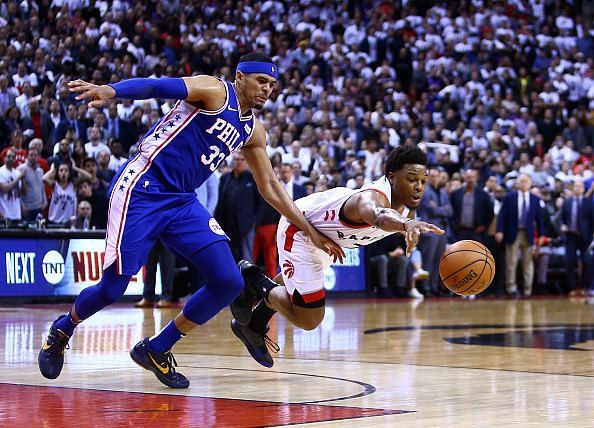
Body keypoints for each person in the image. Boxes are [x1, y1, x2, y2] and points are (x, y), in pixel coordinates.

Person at [38, 53, 343, 389]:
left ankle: (157, 348)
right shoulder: (213, 90)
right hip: (142, 187)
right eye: (261, 81)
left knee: (229, 281)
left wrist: (310, 230)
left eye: (272, 84)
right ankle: (62, 329)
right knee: (114, 287)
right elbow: (157, 85)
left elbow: (270, 186)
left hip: (182, 201)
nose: (267, 89)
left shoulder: (253, 129)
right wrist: (111, 90)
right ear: (240, 77)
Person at [229, 146, 443, 367]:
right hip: (301, 228)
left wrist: (408, 227)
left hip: (329, 241)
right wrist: (406, 224)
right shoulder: (369, 199)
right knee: (309, 318)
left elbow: (395, 219)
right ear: (391, 176)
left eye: (423, 181)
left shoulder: (407, 208)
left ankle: (254, 324)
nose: (419, 187)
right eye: (411, 179)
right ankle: (253, 279)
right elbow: (379, 215)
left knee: (294, 284)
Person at [496, 173, 545, 297]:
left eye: (526, 181)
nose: (523, 184)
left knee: (528, 263)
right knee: (511, 262)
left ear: (530, 183)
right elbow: (502, 216)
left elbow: (540, 219)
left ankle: (527, 289)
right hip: (513, 232)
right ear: (517, 183)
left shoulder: (536, 199)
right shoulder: (509, 197)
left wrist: (541, 235)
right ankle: (511, 288)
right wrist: (500, 230)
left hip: (528, 234)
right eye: (521, 181)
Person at [0, 149, 27, 221]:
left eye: (13, 157)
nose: (11, 159)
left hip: (17, 213)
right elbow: (4, 188)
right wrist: (19, 177)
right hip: (5, 212)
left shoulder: (17, 173)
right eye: (9, 157)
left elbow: (23, 193)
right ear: (4, 158)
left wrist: (23, 178)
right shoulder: (1, 171)